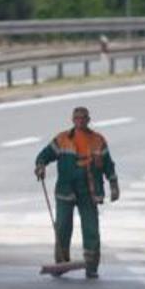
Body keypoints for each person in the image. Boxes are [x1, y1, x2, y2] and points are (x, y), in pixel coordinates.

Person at [34, 106, 119, 278]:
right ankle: (61, 263)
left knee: (91, 228)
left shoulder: (98, 140)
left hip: (89, 191)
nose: (80, 121)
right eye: (77, 118)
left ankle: (91, 266)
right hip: (65, 190)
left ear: (88, 120)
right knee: (62, 226)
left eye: (83, 118)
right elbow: (44, 155)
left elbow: (108, 164)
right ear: (72, 120)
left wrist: (113, 184)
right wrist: (40, 166)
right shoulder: (62, 139)